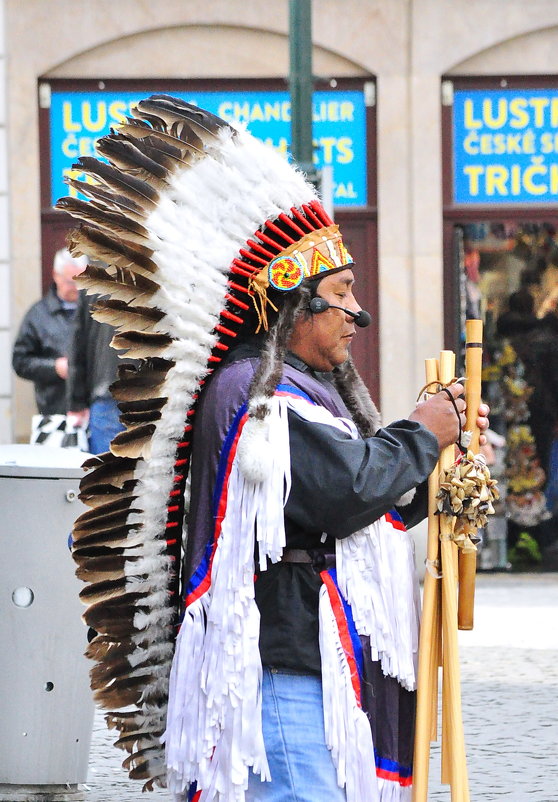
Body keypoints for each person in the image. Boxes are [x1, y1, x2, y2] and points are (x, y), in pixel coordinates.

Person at [58, 96, 489, 802]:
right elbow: (337, 490)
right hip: (280, 671)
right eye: (344, 294)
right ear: (297, 301)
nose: (359, 313)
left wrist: (441, 480)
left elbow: (354, 508)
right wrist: (421, 432)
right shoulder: (251, 391)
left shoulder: (300, 390)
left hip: (308, 668)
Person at [12, 247, 87, 415]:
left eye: (82, 281)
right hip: (55, 411)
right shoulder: (38, 315)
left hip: (95, 412)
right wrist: (54, 367)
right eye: (70, 281)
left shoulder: (97, 312)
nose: (76, 287)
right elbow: (20, 361)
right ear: (56, 275)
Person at [66, 288, 125, 454]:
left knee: (106, 473)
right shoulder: (160, 273)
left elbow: (77, 346)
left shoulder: (95, 278)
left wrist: (76, 403)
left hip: (106, 395)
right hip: (150, 397)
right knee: (148, 476)